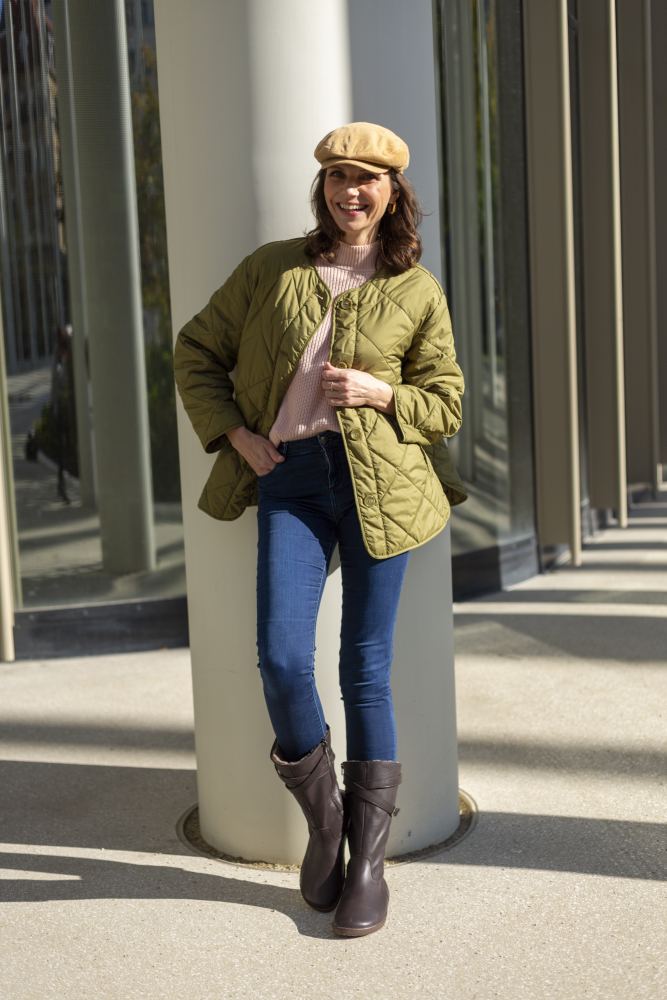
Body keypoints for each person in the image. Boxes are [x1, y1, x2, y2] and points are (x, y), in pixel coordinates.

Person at [174, 122, 466, 937]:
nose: (350, 191)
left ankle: (368, 863)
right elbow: (196, 348)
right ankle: (327, 822)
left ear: (390, 192)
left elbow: (443, 402)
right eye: (338, 176)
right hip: (292, 479)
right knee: (279, 656)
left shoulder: (416, 288)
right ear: (324, 187)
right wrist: (236, 433)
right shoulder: (272, 268)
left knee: (365, 668)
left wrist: (379, 392)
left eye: (366, 179)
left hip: (384, 483)